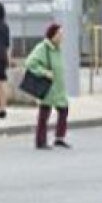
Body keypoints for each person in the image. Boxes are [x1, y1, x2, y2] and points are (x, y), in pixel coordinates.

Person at [25, 22, 69, 150]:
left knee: (64, 110)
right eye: (59, 34)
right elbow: (30, 62)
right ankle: (40, 141)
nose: (62, 37)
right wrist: (44, 72)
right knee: (44, 113)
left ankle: (59, 138)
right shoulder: (43, 48)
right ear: (53, 35)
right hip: (48, 87)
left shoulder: (57, 49)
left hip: (58, 87)